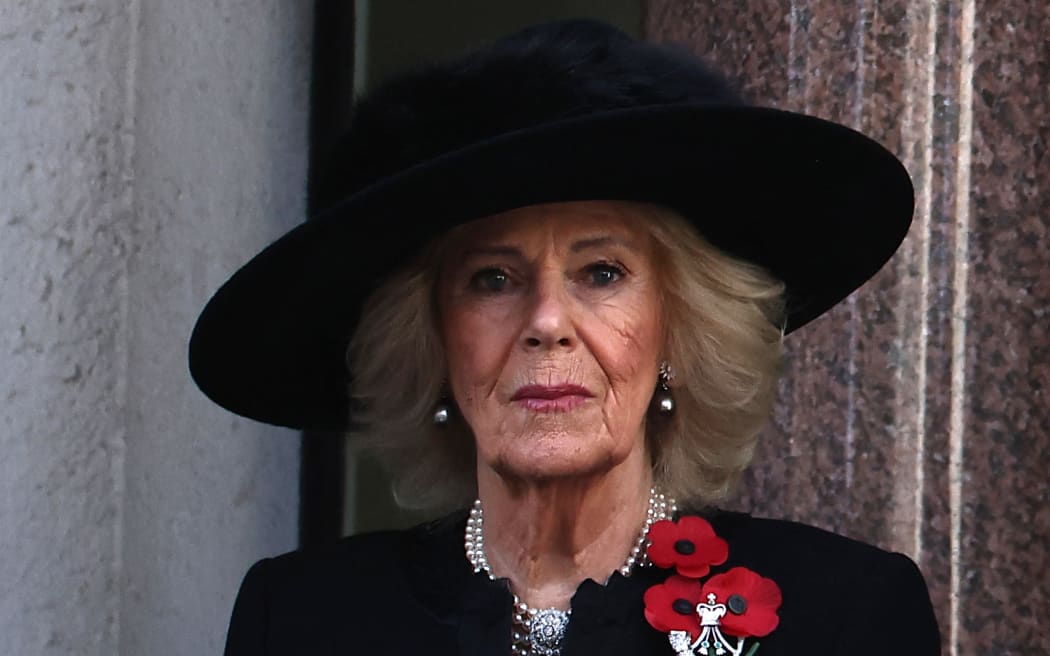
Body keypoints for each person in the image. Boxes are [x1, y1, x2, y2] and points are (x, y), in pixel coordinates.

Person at [189, 19, 941, 656]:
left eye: (602, 273)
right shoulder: (302, 619)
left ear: (679, 329)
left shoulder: (846, 616)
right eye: (493, 279)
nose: (547, 322)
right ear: (434, 342)